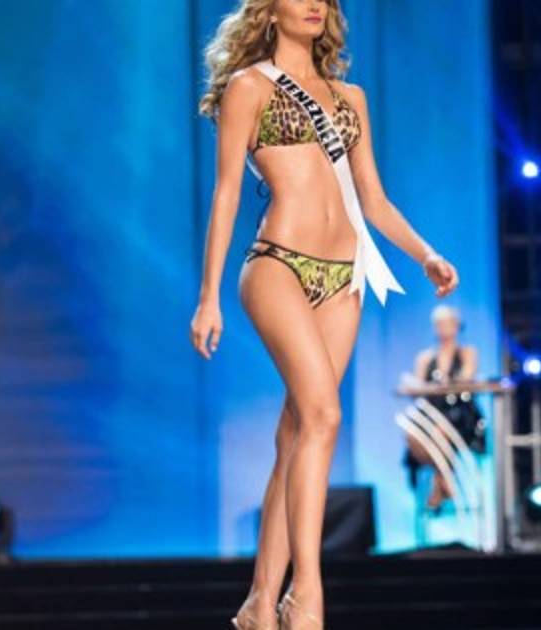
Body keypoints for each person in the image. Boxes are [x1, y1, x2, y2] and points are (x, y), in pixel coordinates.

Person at [189, 1, 457, 628]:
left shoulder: (350, 97)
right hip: (278, 264)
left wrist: (425, 254)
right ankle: (306, 590)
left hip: (344, 276)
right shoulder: (249, 87)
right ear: (269, 10)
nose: (315, 3)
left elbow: (374, 199)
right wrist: (208, 295)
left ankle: (259, 602)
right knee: (324, 415)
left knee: (298, 436)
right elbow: (227, 192)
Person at [403, 305, 485, 511]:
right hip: (432, 415)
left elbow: (466, 378)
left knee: (441, 430)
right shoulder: (425, 358)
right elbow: (418, 387)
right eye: (439, 324)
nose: (443, 328)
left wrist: (438, 385)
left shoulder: (467, 353)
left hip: (461, 416)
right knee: (413, 434)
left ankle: (440, 484)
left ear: (457, 326)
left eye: (447, 323)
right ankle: (444, 480)